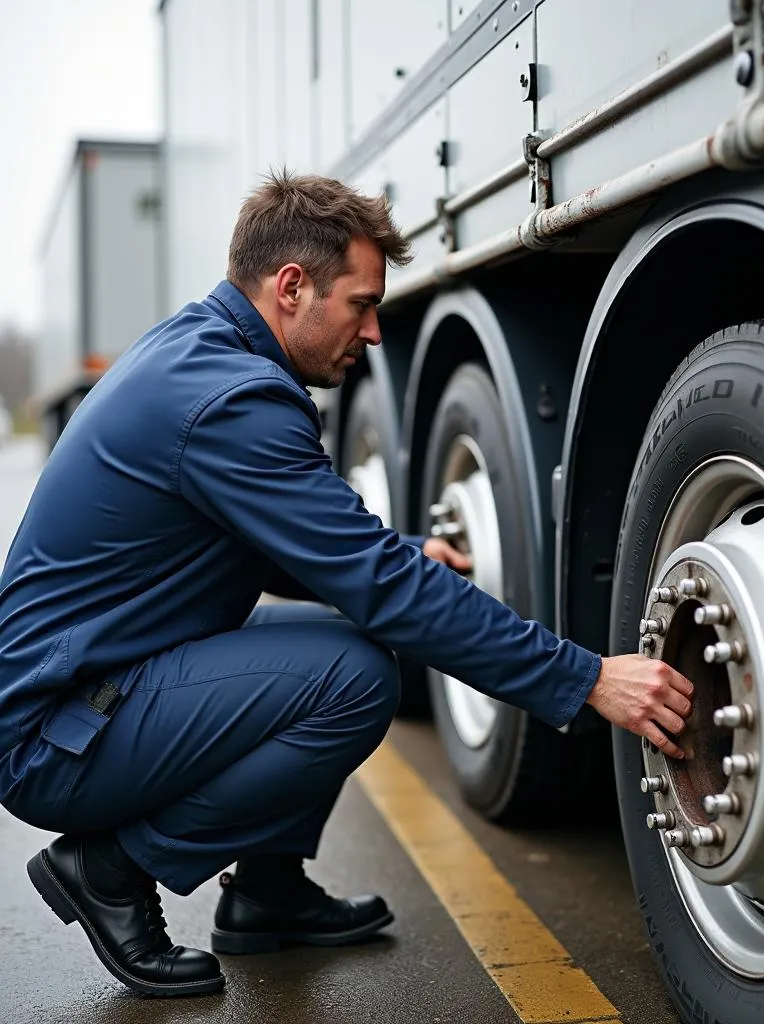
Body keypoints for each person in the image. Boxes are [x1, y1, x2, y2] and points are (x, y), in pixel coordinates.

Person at [0, 170, 694, 998]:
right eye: (362, 305)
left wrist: (398, 557)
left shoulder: (204, 355)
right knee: (357, 676)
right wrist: (586, 677)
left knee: (349, 641)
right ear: (291, 287)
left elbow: (296, 550)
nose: (372, 332)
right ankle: (111, 869)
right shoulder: (230, 401)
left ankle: (267, 893)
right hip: (54, 734)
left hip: (95, 685)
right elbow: (379, 586)